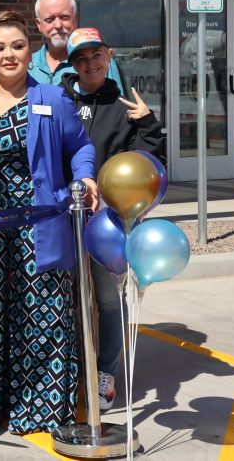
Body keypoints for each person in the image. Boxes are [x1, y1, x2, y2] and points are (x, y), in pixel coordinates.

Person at [0, 10, 97, 435]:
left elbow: (80, 146)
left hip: (38, 225)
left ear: (30, 50)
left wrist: (86, 176)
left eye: (18, 46)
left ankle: (39, 405)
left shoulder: (52, 97)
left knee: (41, 314)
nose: (9, 55)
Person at [59, 27, 163, 412]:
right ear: (71, 65)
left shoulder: (125, 106)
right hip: (65, 216)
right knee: (67, 297)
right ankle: (70, 371)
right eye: (81, 58)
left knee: (107, 298)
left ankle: (105, 375)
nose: (90, 63)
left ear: (110, 54)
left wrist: (148, 123)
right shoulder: (60, 99)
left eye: (96, 55)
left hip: (108, 222)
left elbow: (147, 164)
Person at [28, 0, 124, 88]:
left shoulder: (100, 62)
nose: (58, 25)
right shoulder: (27, 65)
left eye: (64, 17)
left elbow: (116, 102)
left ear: (76, 19)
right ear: (39, 24)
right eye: (49, 19)